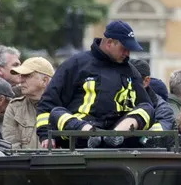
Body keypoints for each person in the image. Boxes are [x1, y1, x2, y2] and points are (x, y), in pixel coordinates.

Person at [35, 20, 155, 148]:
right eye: (124, 48)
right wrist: (45, 135)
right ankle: (93, 135)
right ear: (109, 43)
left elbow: (146, 107)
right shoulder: (75, 64)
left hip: (119, 135)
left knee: (147, 108)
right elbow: (48, 103)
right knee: (56, 112)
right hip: (81, 134)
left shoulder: (131, 71)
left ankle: (115, 136)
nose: (127, 54)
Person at [2, 56, 55, 150]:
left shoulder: (64, 107)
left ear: (44, 80)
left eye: (27, 75)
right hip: (24, 164)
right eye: (21, 76)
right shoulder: (15, 107)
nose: (20, 80)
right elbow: (11, 148)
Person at [131, 58, 175, 132]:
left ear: (146, 81)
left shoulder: (162, 109)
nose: (124, 84)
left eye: (130, 80)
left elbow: (155, 139)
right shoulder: (116, 100)